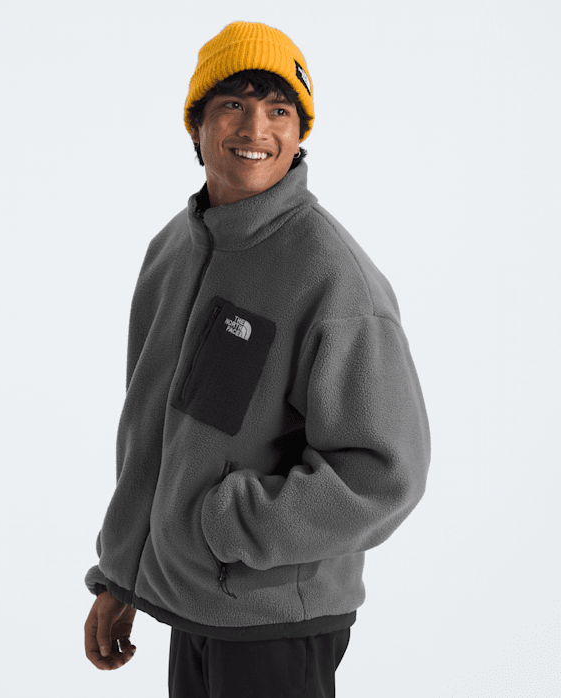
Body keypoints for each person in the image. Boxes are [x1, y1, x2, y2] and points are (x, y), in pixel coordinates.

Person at [83, 20, 431, 698]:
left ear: (300, 132)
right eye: (233, 104)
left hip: (275, 624)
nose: (256, 128)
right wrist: (123, 573)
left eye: (279, 110)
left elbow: (386, 473)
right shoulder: (172, 252)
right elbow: (150, 434)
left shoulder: (334, 278)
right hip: (191, 608)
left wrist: (229, 525)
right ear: (197, 124)